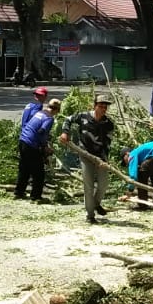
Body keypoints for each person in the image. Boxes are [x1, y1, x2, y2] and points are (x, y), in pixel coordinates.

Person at [60, 93, 117, 224]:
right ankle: (90, 215)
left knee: (103, 183)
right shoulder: (83, 116)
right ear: (95, 106)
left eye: (105, 107)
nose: (103, 109)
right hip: (85, 155)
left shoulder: (108, 124)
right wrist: (65, 132)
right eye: (101, 106)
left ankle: (96, 204)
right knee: (88, 185)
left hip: (100, 157)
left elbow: (107, 143)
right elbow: (68, 119)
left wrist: (103, 160)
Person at [15, 98, 61, 202]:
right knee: (39, 172)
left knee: (24, 168)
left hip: (23, 140)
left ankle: (19, 192)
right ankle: (36, 196)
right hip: (31, 144)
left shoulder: (40, 113)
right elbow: (41, 131)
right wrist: (45, 147)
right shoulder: (49, 118)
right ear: (56, 110)